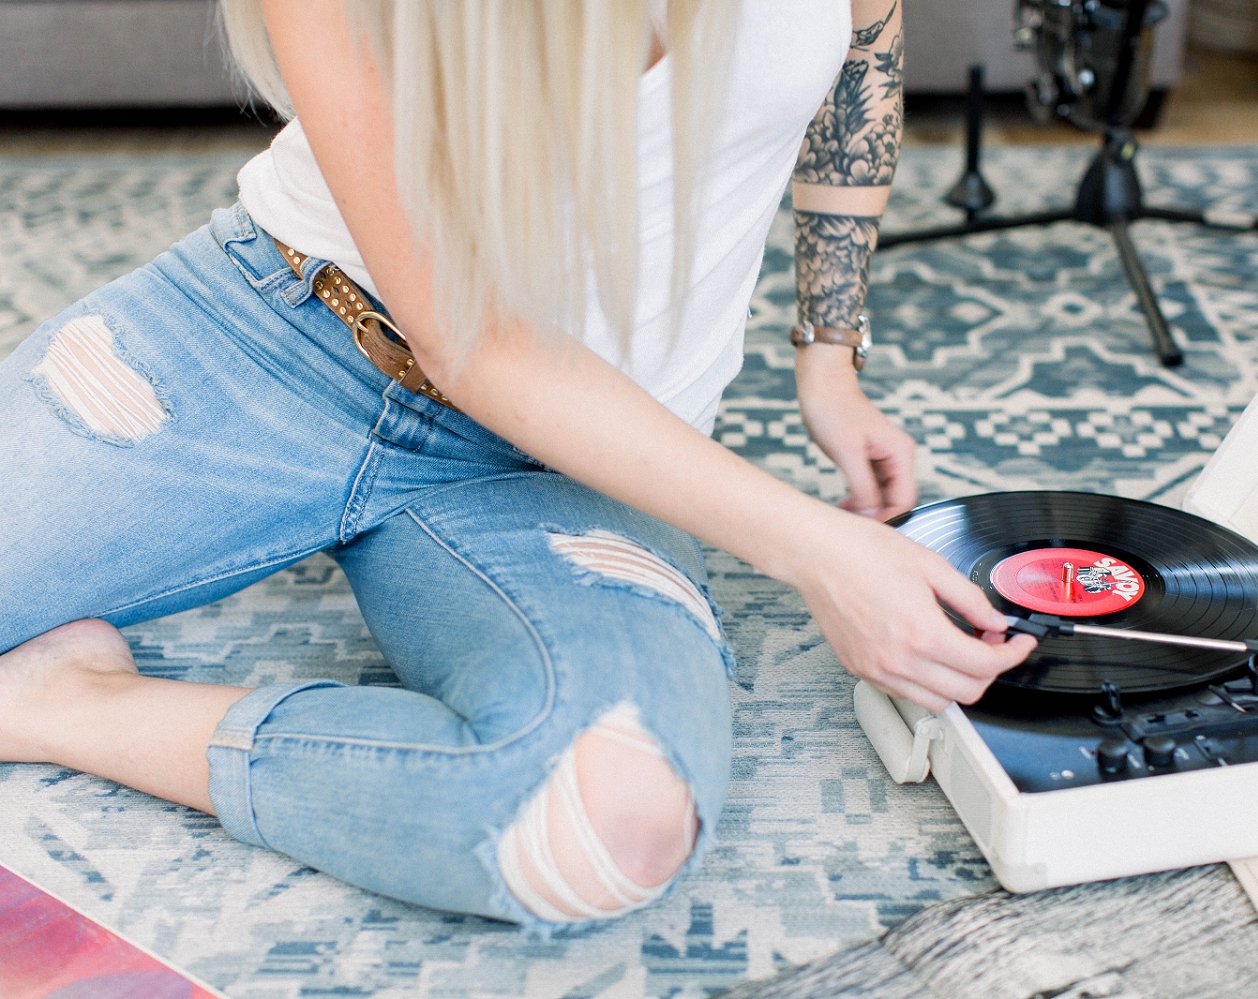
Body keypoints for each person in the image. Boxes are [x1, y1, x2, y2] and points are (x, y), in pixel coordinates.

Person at [0, 0, 1035, 926]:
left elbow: (864, 33)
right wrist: (820, 551)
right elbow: (476, 343)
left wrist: (829, 358)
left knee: (604, 825)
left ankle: (69, 705)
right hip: (284, 333)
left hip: (591, 460)